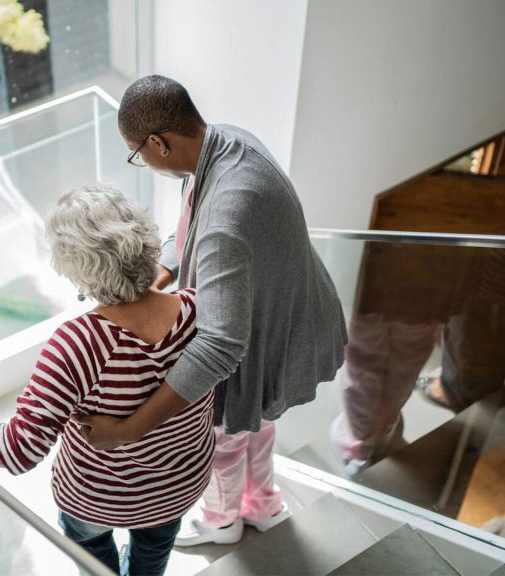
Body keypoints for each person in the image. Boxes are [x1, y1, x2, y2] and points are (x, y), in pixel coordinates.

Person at [72, 75, 348, 546]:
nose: (142, 162)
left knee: (224, 436)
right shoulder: (228, 142)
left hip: (266, 338)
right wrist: (156, 276)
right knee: (258, 423)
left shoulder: (226, 213)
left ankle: (222, 520)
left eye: (138, 154)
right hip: (290, 317)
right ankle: (262, 503)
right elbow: (190, 232)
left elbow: (220, 347)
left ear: (158, 143)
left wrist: (129, 430)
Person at [0, 184, 216, 576]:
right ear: (145, 238)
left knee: (91, 550)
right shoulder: (201, 307)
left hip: (97, 500)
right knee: (152, 554)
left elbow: (16, 452)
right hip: (179, 486)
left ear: (75, 270)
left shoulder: (76, 346)